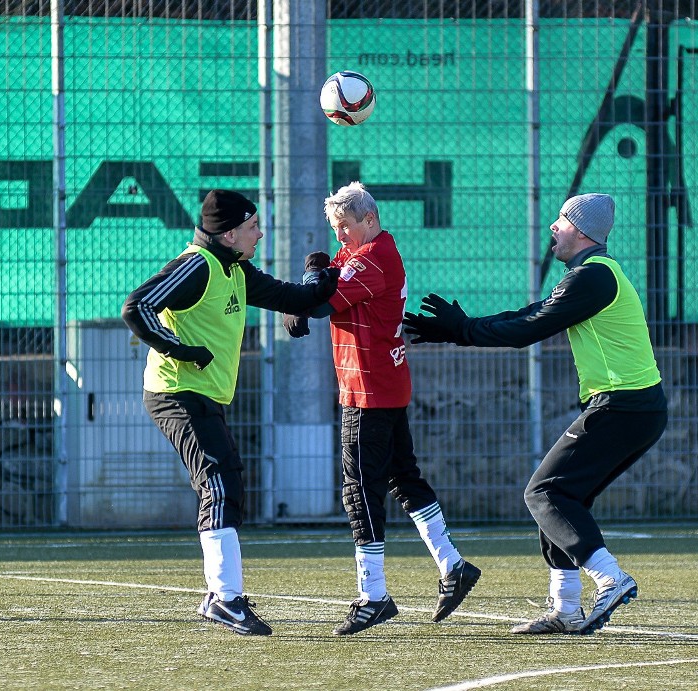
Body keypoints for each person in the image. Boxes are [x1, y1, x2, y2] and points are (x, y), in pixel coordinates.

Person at [403, 193, 668, 635]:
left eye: (561, 221)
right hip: (632, 408)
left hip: (624, 406)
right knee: (562, 498)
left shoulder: (592, 277)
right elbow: (531, 314)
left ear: (581, 231)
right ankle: (566, 608)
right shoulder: (590, 276)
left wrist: (462, 330)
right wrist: (459, 330)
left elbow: (529, 329)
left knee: (544, 493)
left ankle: (611, 579)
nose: (552, 227)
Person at [121, 189, 339, 636]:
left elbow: (293, 299)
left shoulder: (235, 268)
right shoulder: (197, 265)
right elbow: (136, 306)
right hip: (175, 392)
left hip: (203, 395)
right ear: (231, 232)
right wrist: (179, 348)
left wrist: (320, 276)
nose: (260, 233)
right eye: (254, 226)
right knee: (219, 483)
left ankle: (221, 597)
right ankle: (226, 599)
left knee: (227, 481)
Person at [282, 181, 481, 635]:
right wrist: (314, 277)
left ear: (368, 220)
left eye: (344, 226)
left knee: (360, 489)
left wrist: (300, 297)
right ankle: (452, 565)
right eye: (335, 228)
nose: (339, 236)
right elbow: (331, 273)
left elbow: (325, 297)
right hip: (383, 383)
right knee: (402, 476)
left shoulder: (370, 258)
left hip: (366, 388)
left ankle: (373, 595)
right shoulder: (369, 251)